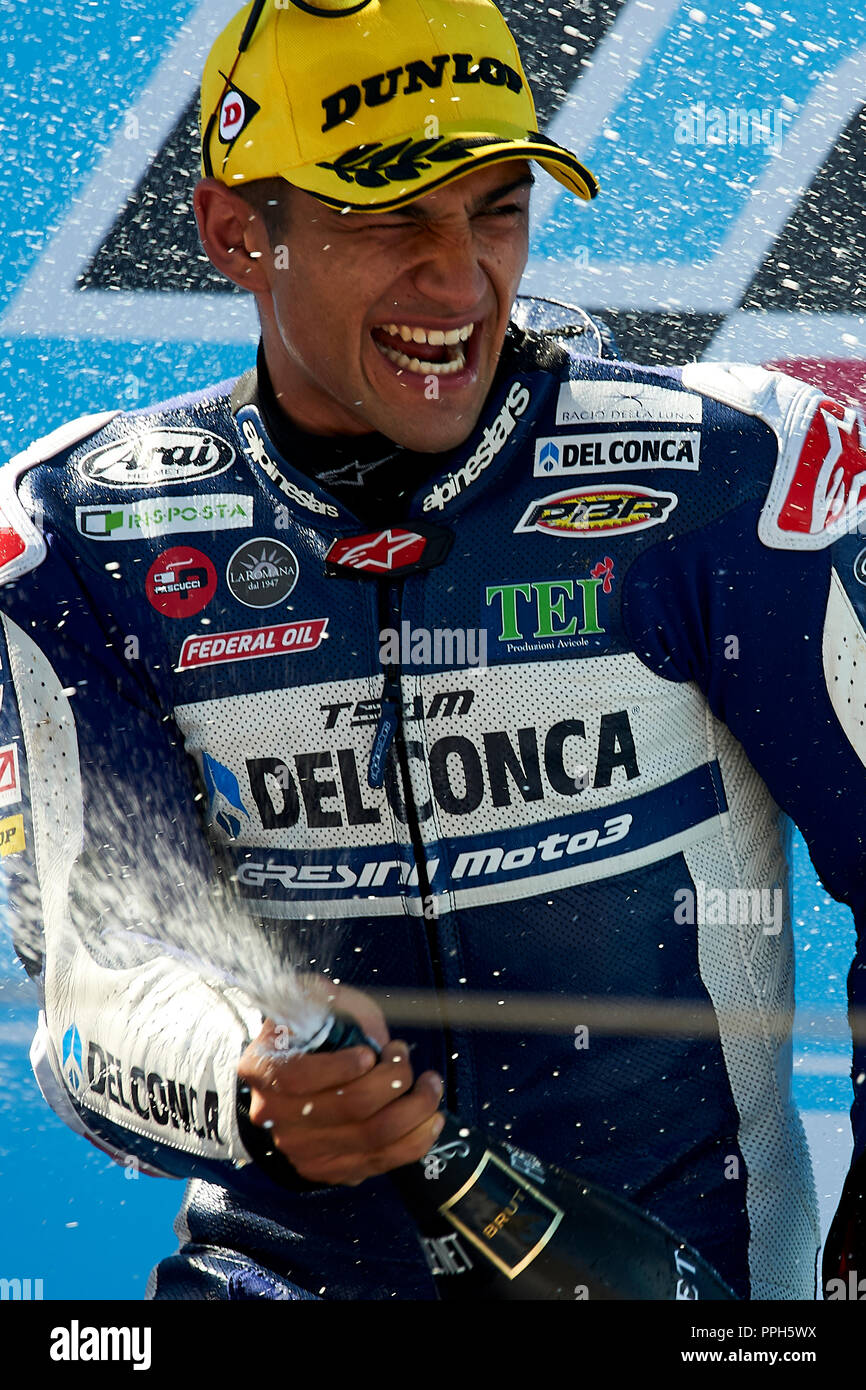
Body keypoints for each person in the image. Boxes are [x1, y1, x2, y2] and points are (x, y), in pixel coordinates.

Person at [1, 0, 865, 1302]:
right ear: (238, 229)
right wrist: (243, 1089)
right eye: (388, 214)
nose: (458, 276)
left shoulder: (727, 479)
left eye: (495, 207)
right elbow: (90, 989)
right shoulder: (90, 532)